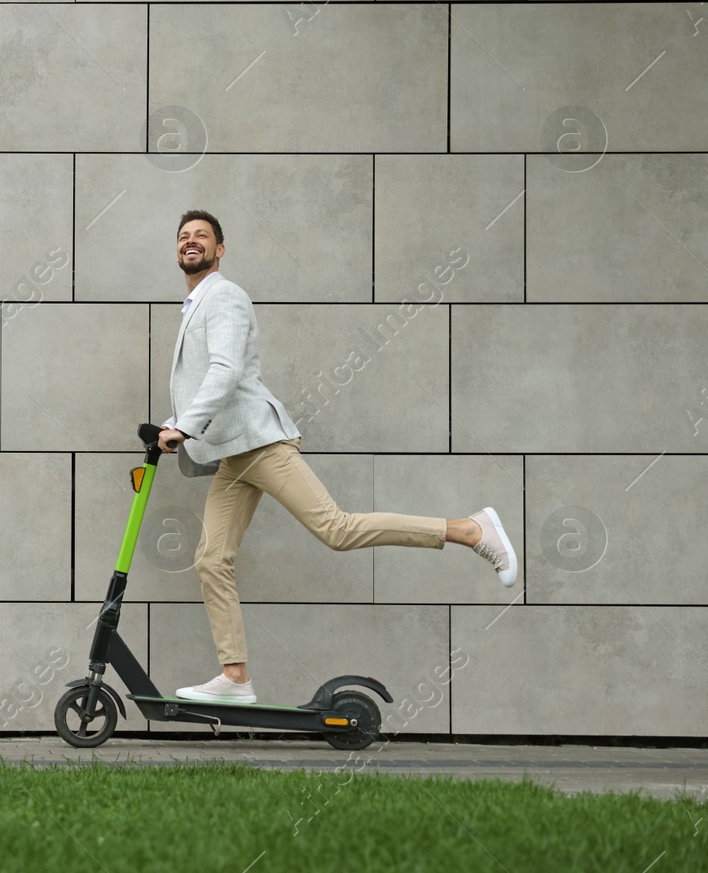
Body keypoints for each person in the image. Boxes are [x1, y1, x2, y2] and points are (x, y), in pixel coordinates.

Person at [159, 210, 517, 705]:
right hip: (233, 455)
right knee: (211, 559)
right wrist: (173, 423)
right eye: (183, 237)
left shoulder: (223, 295)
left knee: (338, 529)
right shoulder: (196, 303)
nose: (190, 241)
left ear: (220, 250)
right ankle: (235, 677)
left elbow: (224, 368)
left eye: (201, 236)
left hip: (258, 444)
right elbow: (206, 379)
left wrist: (184, 425)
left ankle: (470, 529)